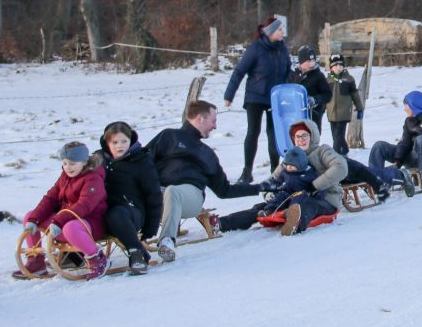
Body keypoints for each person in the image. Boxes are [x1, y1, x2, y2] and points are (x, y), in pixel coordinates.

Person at [146, 100, 263, 261]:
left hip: (190, 196)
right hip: (159, 193)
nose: (215, 126)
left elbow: (224, 190)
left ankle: (167, 241)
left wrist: (259, 188)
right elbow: (143, 162)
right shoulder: (169, 136)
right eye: (213, 121)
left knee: (173, 191)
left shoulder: (206, 153)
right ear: (201, 118)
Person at [223, 120, 348, 236]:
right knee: (261, 208)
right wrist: (267, 193)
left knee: (308, 205)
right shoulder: (292, 156)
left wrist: (315, 185)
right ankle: (223, 223)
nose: (301, 140)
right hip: (292, 198)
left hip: (325, 200)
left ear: (312, 135)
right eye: (297, 137)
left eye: (305, 135)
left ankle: (294, 224)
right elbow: (274, 179)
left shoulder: (322, 151)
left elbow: (341, 167)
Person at [15, 142, 108, 280]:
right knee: (30, 216)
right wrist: (34, 219)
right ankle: (36, 261)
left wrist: (59, 221)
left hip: (90, 223)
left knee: (70, 228)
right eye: (64, 163)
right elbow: (50, 198)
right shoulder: (65, 176)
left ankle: (97, 259)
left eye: (72, 163)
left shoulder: (93, 178)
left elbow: (84, 206)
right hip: (64, 221)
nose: (68, 167)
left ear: (84, 162)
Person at [223, 16, 291, 183]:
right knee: (253, 132)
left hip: (275, 97)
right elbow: (239, 71)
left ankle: (276, 170)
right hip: (255, 96)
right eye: (279, 30)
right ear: (270, 32)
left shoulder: (283, 49)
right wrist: (229, 95)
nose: (282, 32)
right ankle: (247, 171)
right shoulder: (256, 48)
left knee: (273, 134)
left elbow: (288, 72)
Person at [99, 121, 163, 276]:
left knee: (116, 213)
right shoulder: (98, 160)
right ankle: (76, 254)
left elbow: (153, 195)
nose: (119, 146)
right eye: (115, 142)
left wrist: (149, 229)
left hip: (131, 213)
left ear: (131, 141)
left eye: (124, 141)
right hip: (102, 211)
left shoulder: (141, 161)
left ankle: (137, 254)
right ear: (107, 143)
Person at [367, 91, 422, 192]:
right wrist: (397, 161)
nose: (405, 109)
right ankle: (376, 180)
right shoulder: (409, 121)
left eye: (406, 105)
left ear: (413, 105)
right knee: (379, 145)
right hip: (409, 156)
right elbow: (404, 143)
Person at [325, 54, 364, 155]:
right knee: (336, 136)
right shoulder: (328, 80)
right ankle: (344, 150)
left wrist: (359, 108)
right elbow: (325, 96)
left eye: (341, 65)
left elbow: (355, 94)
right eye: (335, 65)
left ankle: (336, 155)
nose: (338, 68)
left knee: (338, 135)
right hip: (331, 113)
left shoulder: (348, 79)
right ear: (331, 67)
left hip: (344, 113)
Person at [289, 45, 332, 134]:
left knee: (312, 140)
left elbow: (327, 94)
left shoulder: (318, 76)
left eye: (313, 60)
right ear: (302, 61)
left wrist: (315, 99)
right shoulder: (294, 75)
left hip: (313, 114)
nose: (311, 63)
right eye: (308, 61)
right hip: (295, 114)